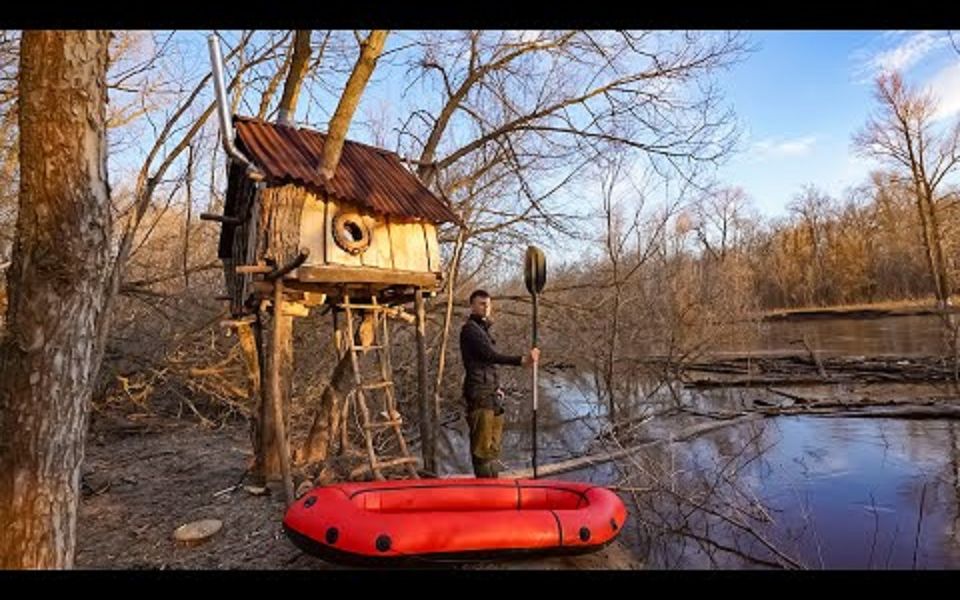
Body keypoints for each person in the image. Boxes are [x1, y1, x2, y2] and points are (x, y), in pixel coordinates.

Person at [459, 289, 539, 478]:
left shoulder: (484, 330)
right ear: (472, 306)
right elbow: (490, 355)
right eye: (481, 304)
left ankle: (495, 488)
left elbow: (487, 364)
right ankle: (485, 494)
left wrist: (497, 387)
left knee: (494, 448)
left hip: (491, 395)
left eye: (488, 304)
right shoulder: (470, 329)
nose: (486, 307)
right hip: (479, 394)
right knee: (482, 451)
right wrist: (521, 360)